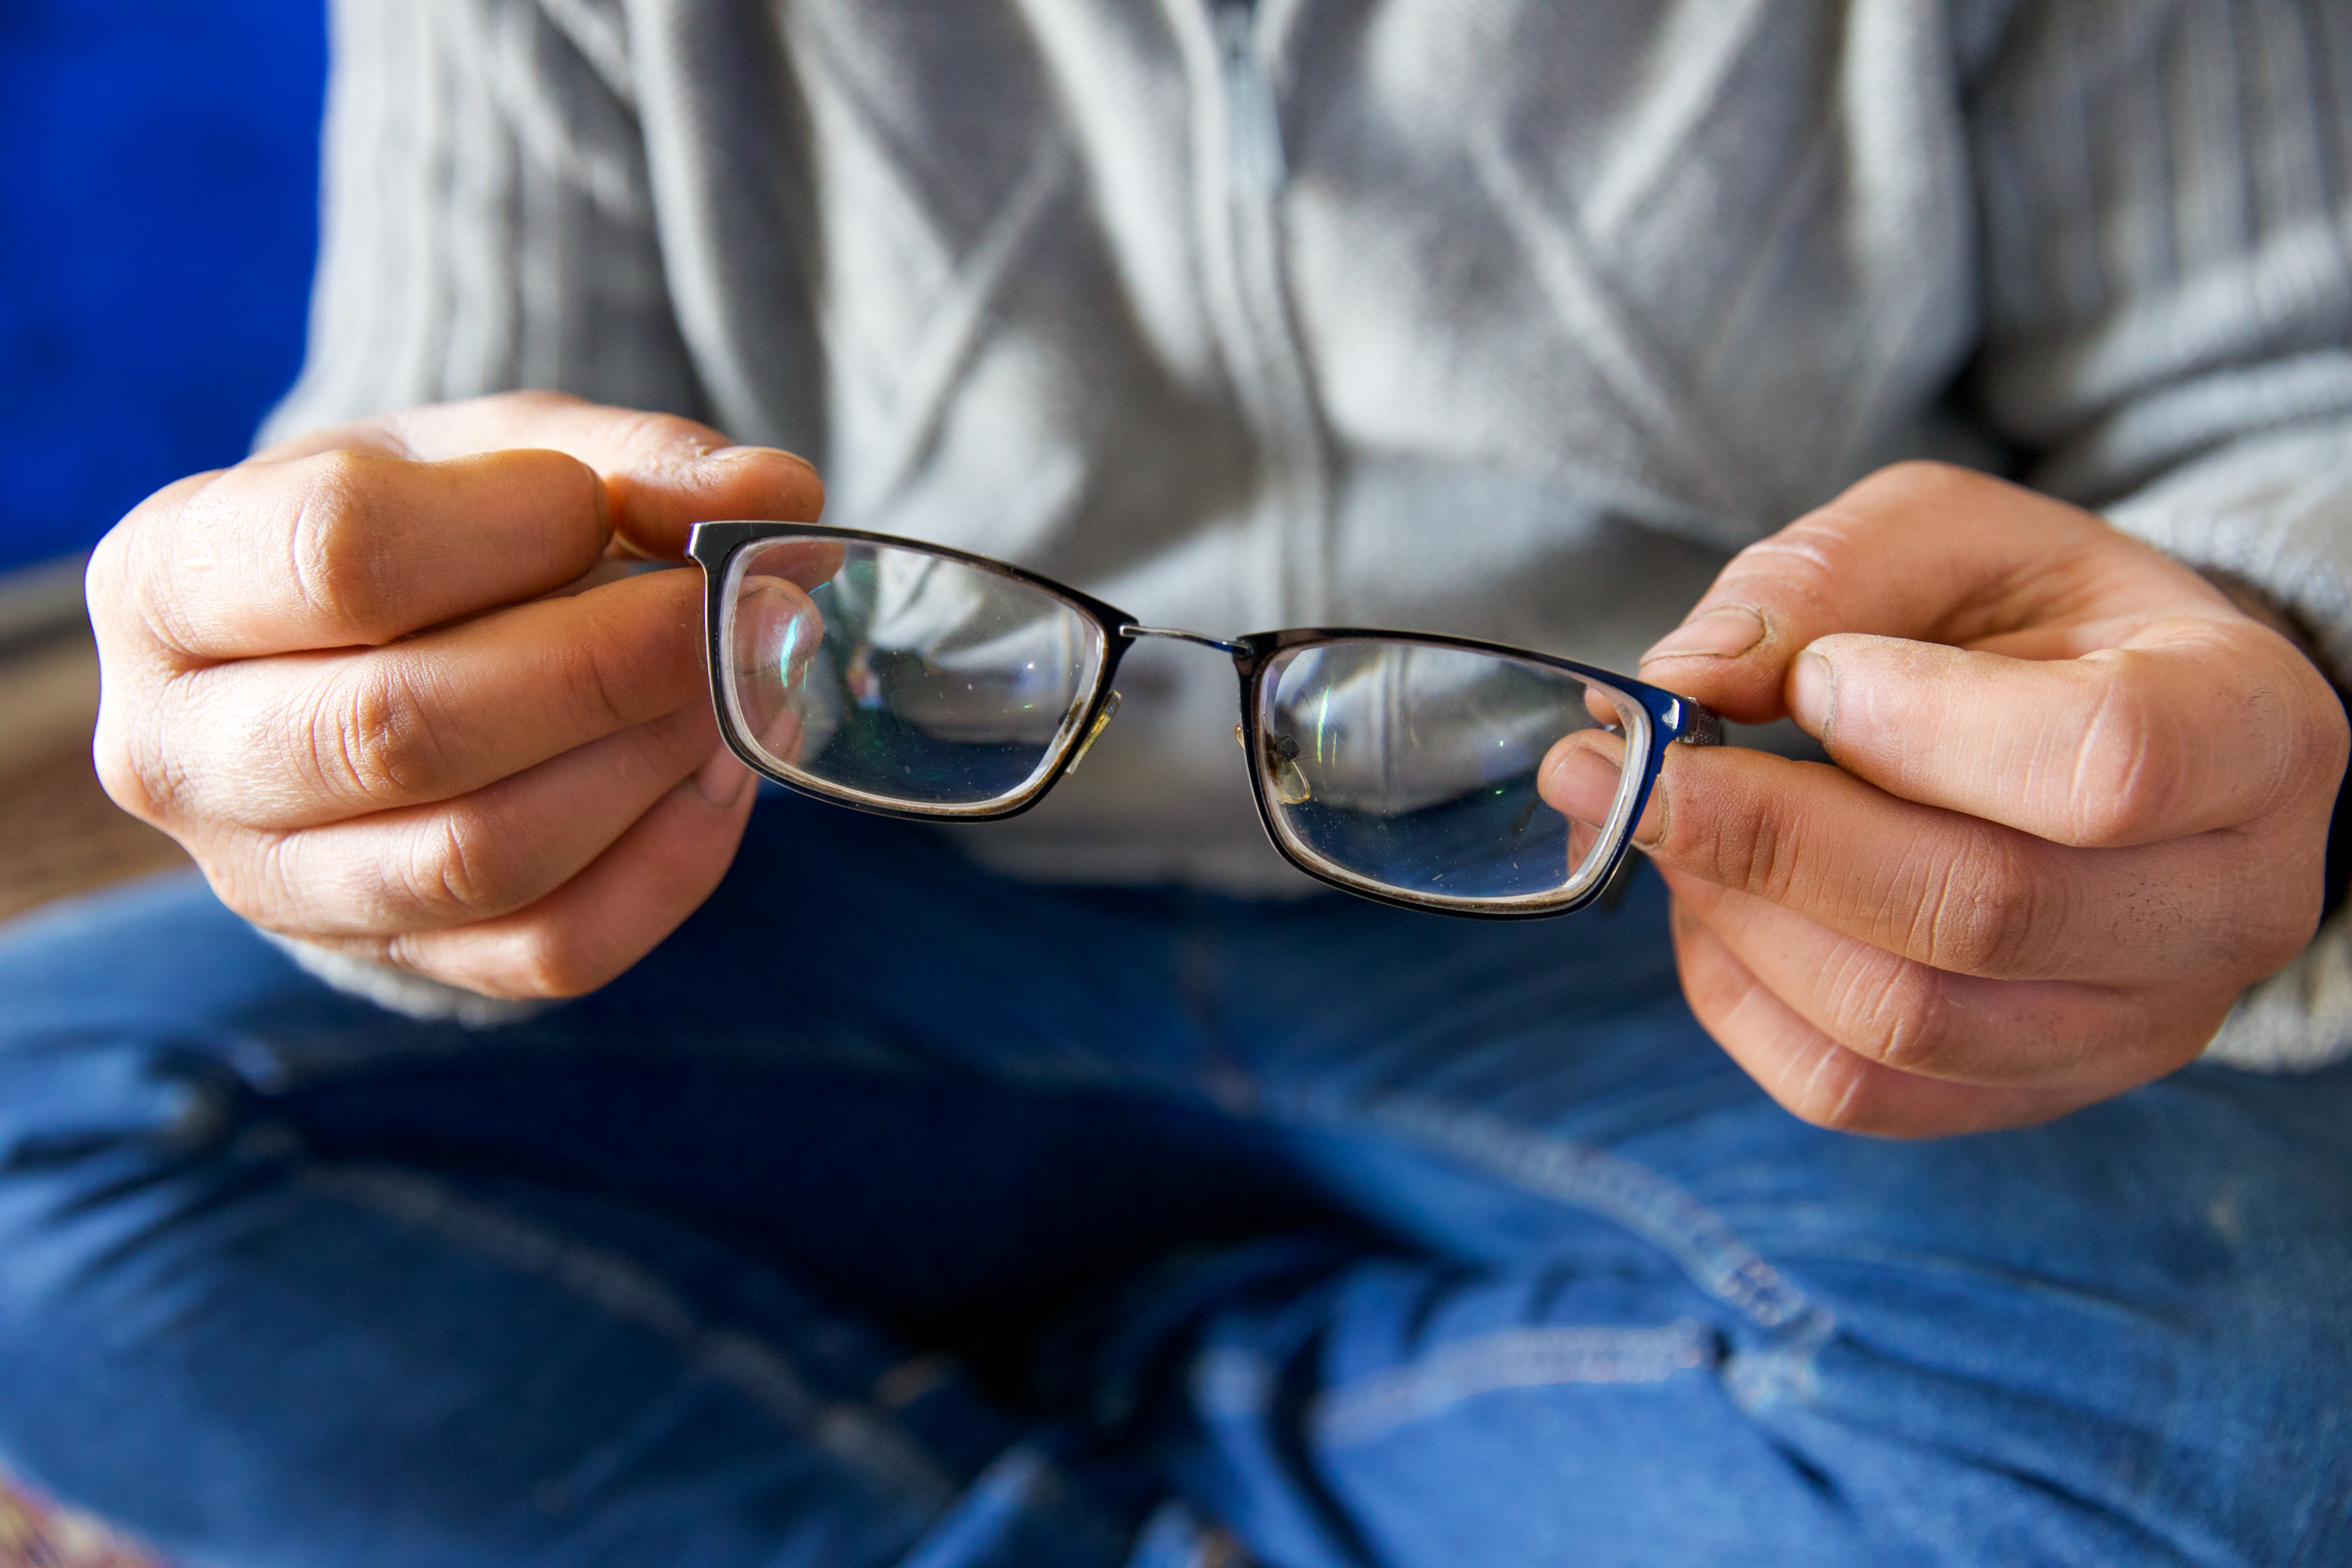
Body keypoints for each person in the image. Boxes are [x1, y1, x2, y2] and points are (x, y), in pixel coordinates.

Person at [5, 2, 2351, 1562]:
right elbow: (424, 469)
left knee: (2258, 1423)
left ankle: (1056, 1382)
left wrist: (2250, 684)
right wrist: (353, 746)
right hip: (826, 886)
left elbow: (2278, 407)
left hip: (1685, 900)